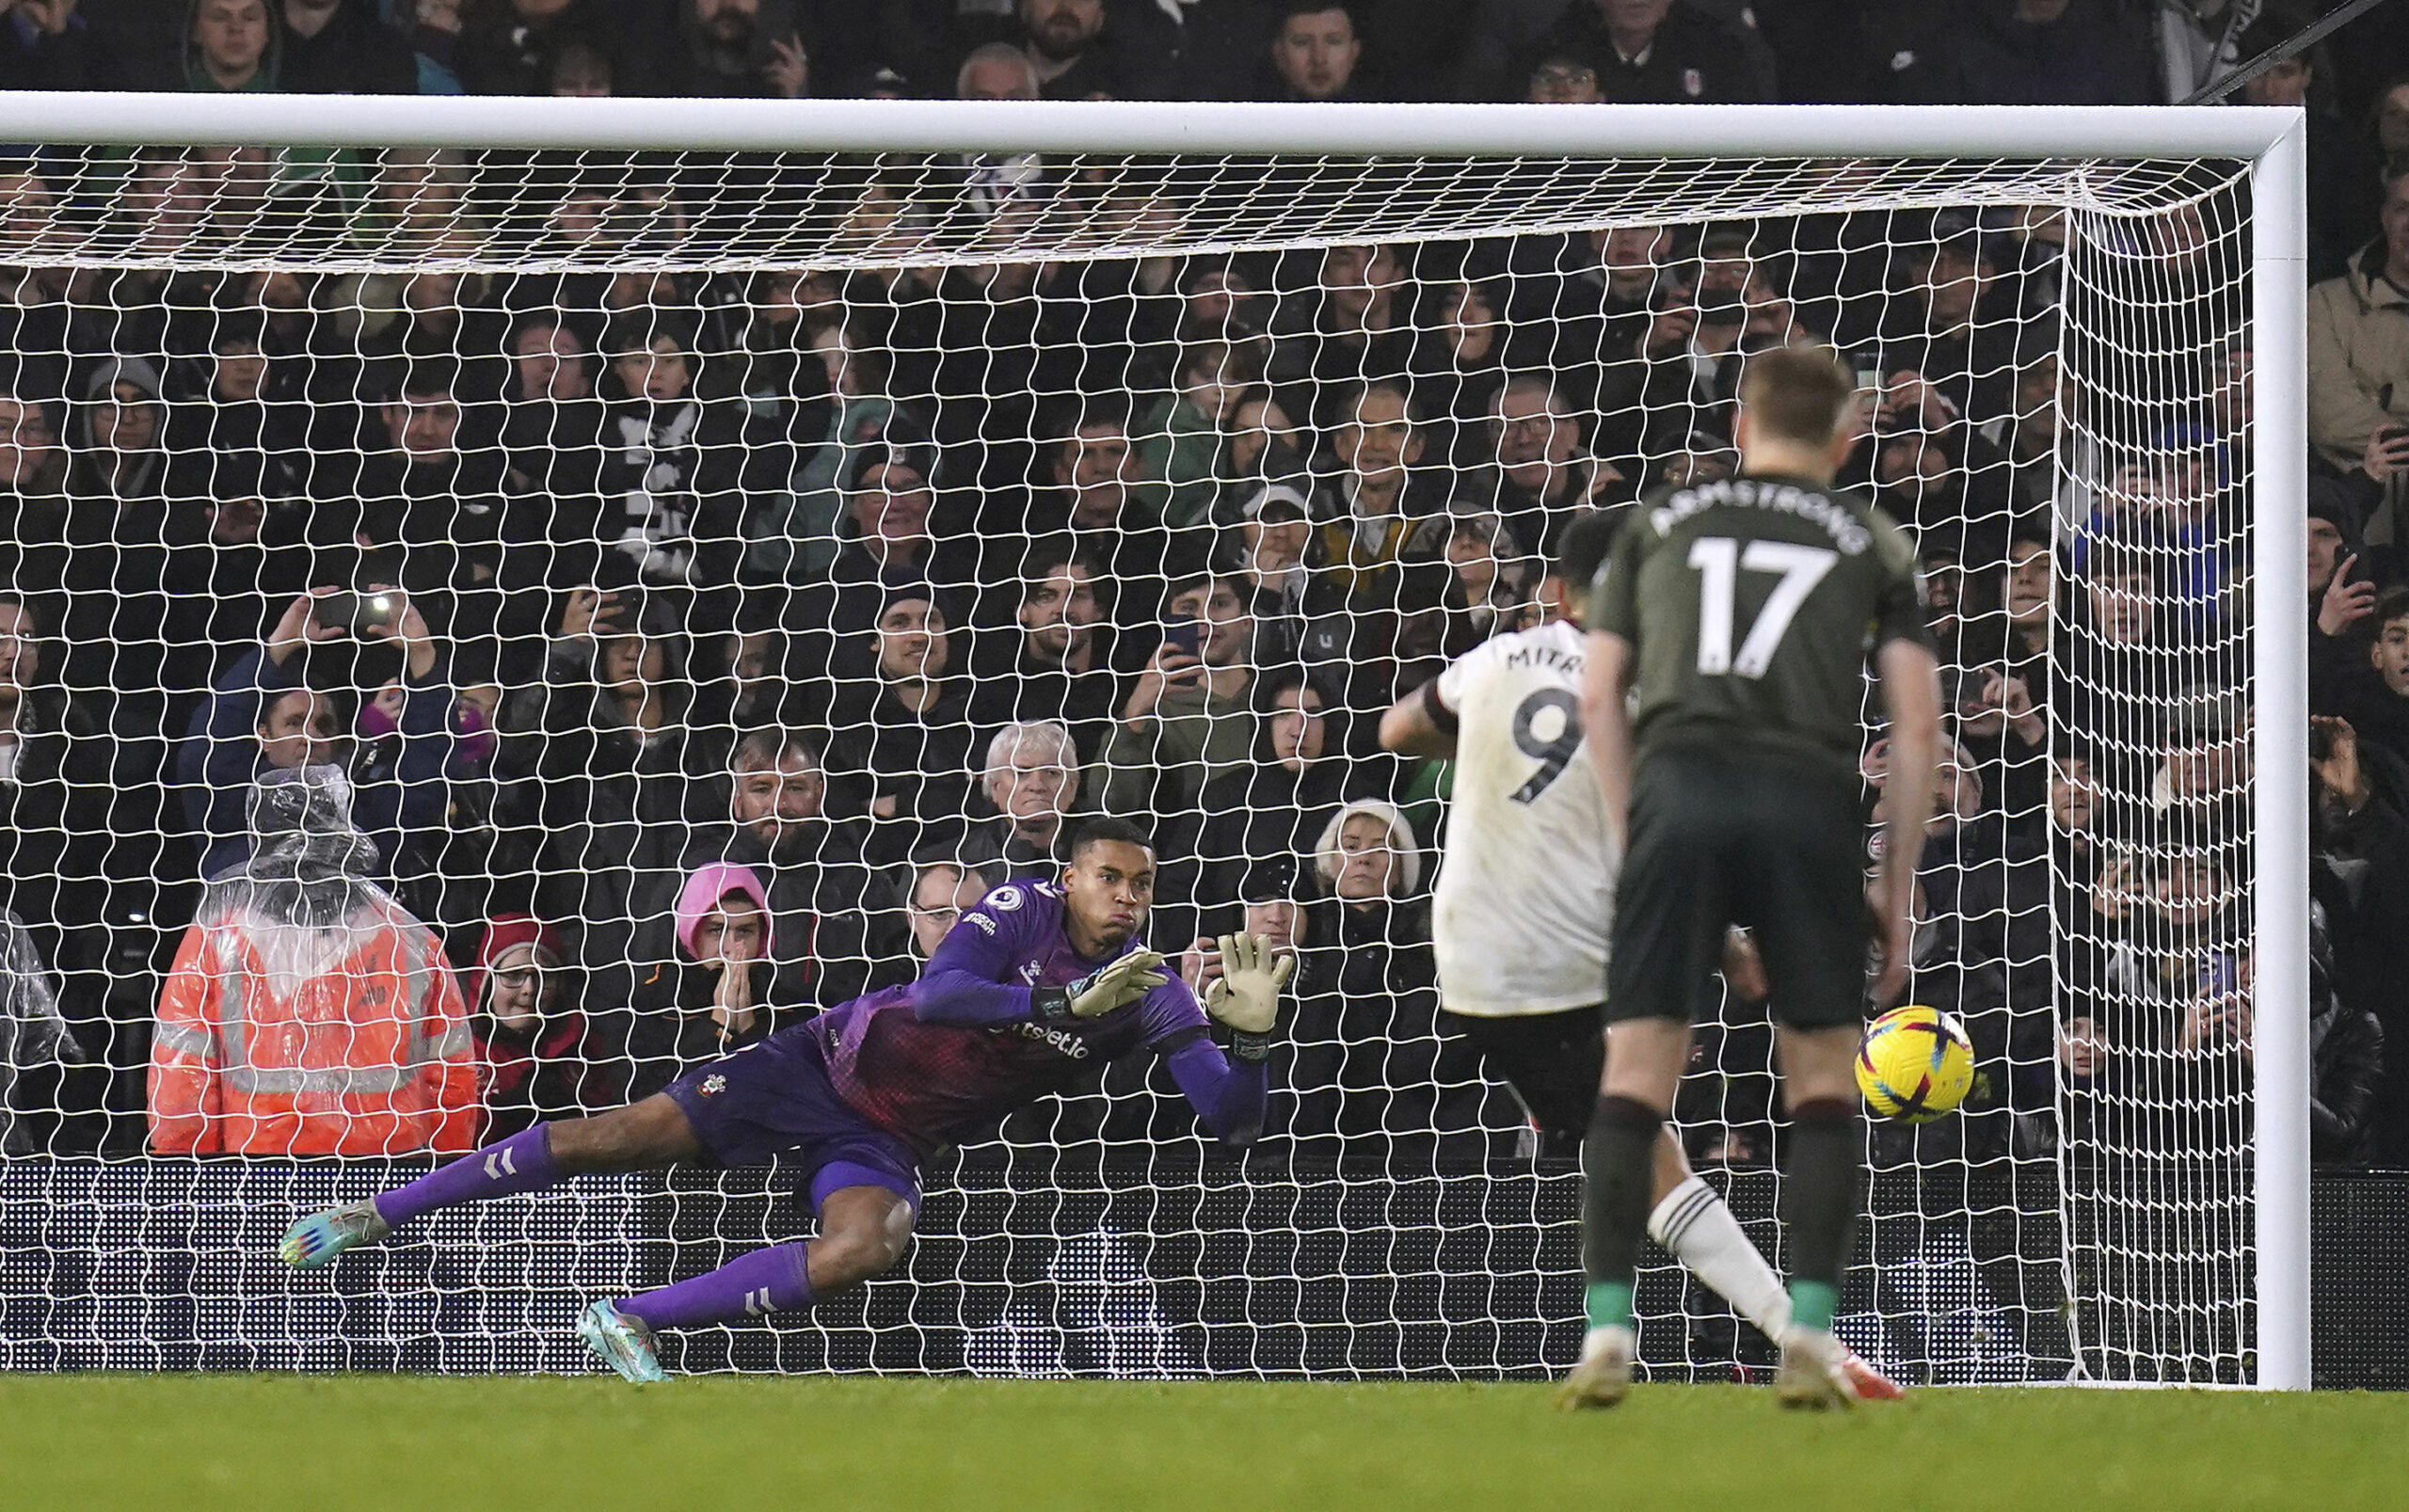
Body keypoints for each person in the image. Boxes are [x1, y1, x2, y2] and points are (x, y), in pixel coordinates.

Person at [277, 819, 1290, 1383]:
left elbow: (1228, 1119)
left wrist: (1245, 1041)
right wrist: (1057, 997)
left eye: (1141, 884)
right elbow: (940, 991)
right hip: (814, 1061)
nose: (1128, 896)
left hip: (891, 1131)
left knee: (868, 1240)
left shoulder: (1155, 989)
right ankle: (381, 1209)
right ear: (1069, 876)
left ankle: (626, 1318)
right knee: (619, 1134)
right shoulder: (1020, 906)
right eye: (1110, 876)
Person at [1377, 508, 1901, 1398]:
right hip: (1581, 956)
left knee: (1641, 1142)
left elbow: (1397, 730)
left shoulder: (1498, 658)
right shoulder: (1655, 690)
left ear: (1556, 591)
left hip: (1468, 961)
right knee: (1658, 1143)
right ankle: (1786, 1330)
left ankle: (1707, 1329)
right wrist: (1740, 939)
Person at [1566, 343, 1939, 1409]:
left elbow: (1601, 695)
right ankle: (1809, 1335)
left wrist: (1638, 826)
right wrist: (1894, 889)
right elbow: (1914, 724)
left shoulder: (1656, 523)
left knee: (1635, 1075)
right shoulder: (1871, 537)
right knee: (1821, 1084)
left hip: (1678, 791)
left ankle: (1605, 1329)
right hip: (1804, 799)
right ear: (1846, 436)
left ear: (1740, 425)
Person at [151, 765, 479, 1156]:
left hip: (260, 1170)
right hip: (389, 1176)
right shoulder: (410, 936)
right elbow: (451, 1074)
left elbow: (182, 1069)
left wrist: (188, 1171)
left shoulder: (217, 936)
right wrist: (442, 1180)